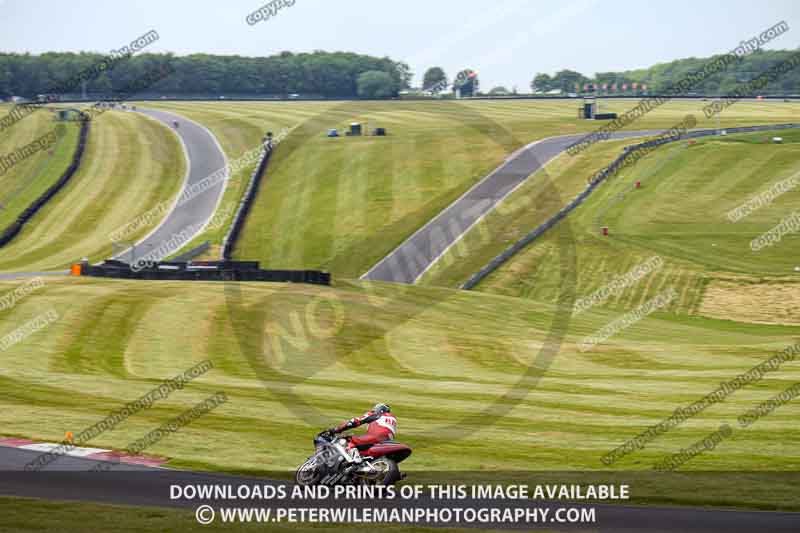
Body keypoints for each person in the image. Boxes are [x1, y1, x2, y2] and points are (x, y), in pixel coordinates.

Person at [326, 403, 397, 453]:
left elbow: (355, 421)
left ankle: (353, 461)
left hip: (376, 437)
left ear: (379, 409)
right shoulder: (392, 419)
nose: (373, 411)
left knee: (348, 440)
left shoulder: (377, 414)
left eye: (374, 409)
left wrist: (337, 429)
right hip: (388, 442)